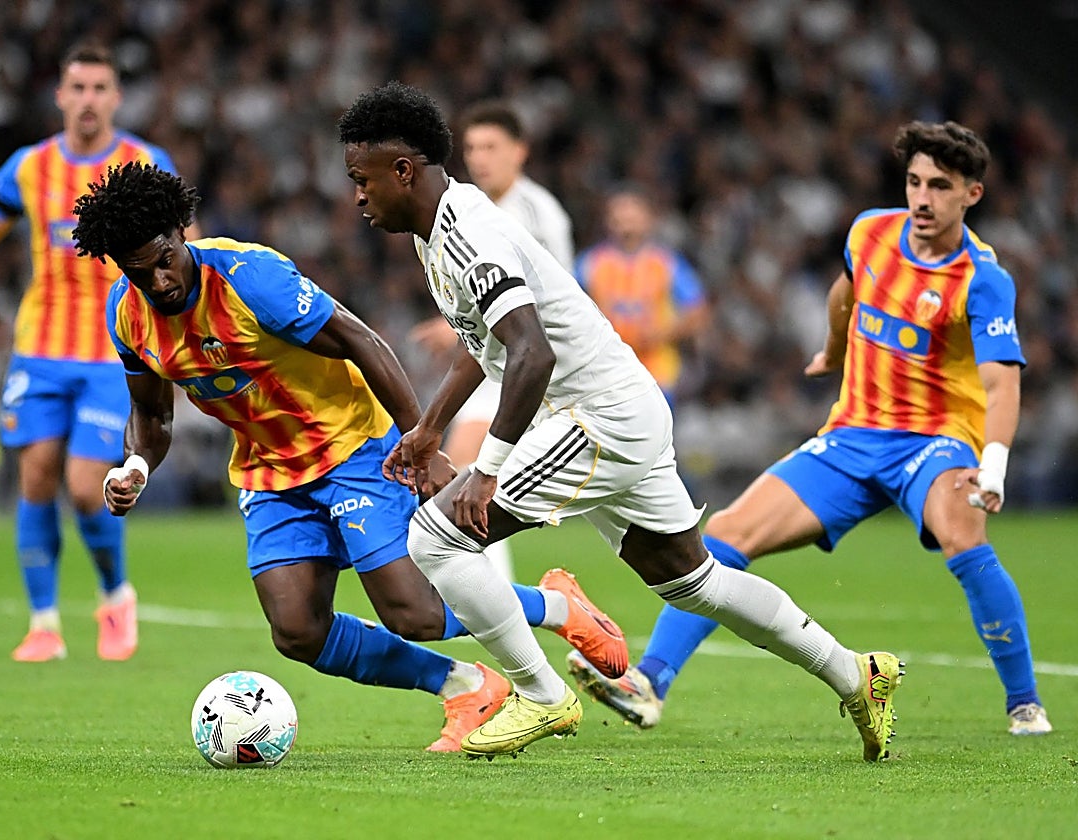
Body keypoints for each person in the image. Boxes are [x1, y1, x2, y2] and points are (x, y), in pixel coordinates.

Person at [338, 81, 903, 761]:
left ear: (404, 170)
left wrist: (485, 471)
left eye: (361, 179)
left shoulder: (466, 234)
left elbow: (531, 352)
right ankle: (855, 674)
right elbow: (480, 339)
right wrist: (431, 427)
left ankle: (542, 698)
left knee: (438, 538)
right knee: (694, 582)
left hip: (594, 417)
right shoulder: (439, 233)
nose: (358, 196)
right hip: (621, 409)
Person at [72, 160, 630, 753]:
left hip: (352, 448)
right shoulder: (126, 316)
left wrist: (421, 441)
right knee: (297, 631)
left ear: (182, 233)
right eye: (140, 271)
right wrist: (134, 466)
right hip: (270, 474)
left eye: (165, 260)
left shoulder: (249, 277)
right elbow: (153, 415)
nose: (159, 282)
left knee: (412, 612)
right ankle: (466, 686)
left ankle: (555, 605)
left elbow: (363, 341)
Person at [568, 120, 1052, 738]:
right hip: (852, 436)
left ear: (971, 194)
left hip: (936, 440)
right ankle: (648, 683)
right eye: (914, 182)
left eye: (940, 185)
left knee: (962, 534)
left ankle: (1025, 704)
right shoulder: (871, 232)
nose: (923, 198)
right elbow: (844, 293)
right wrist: (834, 352)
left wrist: (995, 464)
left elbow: (1002, 383)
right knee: (727, 530)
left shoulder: (983, 279)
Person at [0, 44, 193, 662]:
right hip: (39, 347)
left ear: (116, 97)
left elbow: (186, 249)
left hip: (112, 350)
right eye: (77, 88)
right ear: (60, 96)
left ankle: (115, 596)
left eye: (99, 88)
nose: (88, 100)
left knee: (87, 488)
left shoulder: (145, 162)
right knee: (35, 475)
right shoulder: (29, 168)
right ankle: (43, 625)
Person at [410, 99, 576, 581]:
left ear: (519, 152)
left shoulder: (538, 213)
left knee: (469, 473)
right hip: (496, 362)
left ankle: (493, 599)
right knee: (469, 474)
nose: (479, 157)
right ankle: (494, 597)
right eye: (472, 147)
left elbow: (546, 300)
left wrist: (458, 327)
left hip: (534, 363)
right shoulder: (472, 206)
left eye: (491, 146)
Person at [574, 185, 710, 405]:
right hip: (604, 373)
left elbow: (698, 310)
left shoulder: (666, 263)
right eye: (619, 218)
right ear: (608, 221)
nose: (626, 225)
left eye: (633, 218)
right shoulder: (589, 263)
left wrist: (662, 333)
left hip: (657, 372)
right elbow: (565, 306)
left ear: (649, 219)